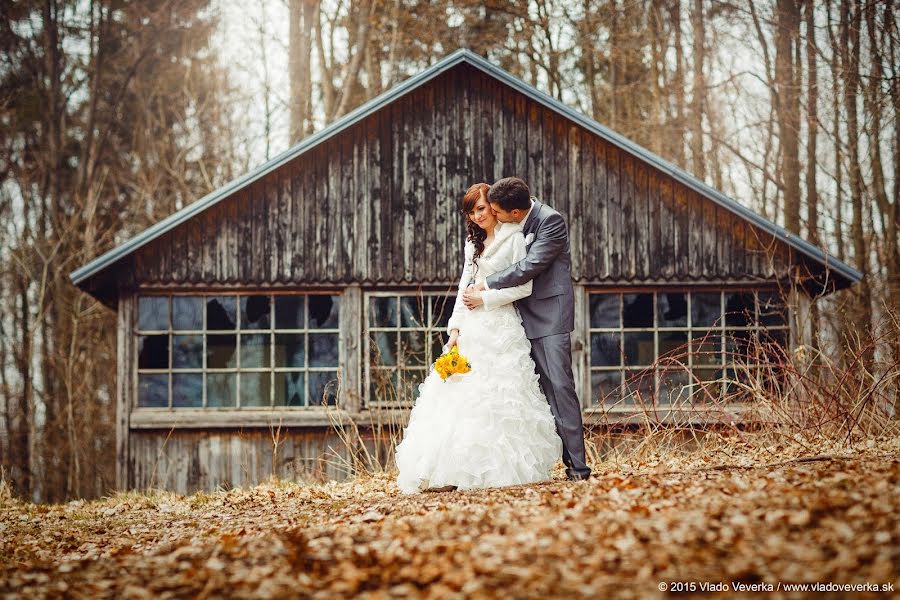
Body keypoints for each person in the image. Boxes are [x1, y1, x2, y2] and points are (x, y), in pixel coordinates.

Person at [394, 183, 562, 494]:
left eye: (482, 208)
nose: (477, 215)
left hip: (500, 328)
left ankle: (500, 472)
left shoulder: (514, 238)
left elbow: (524, 288)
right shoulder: (473, 244)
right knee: (458, 396)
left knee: (498, 397)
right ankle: (452, 472)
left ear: (494, 207)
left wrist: (486, 300)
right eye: (472, 211)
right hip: (471, 329)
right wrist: (454, 328)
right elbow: (463, 286)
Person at [464, 176, 592, 481]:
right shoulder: (508, 224)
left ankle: (578, 468)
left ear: (515, 213)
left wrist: (487, 285)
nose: (492, 216)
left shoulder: (550, 221)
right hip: (516, 319)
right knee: (533, 394)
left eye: (496, 211)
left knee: (560, 389)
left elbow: (530, 266)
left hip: (549, 316)